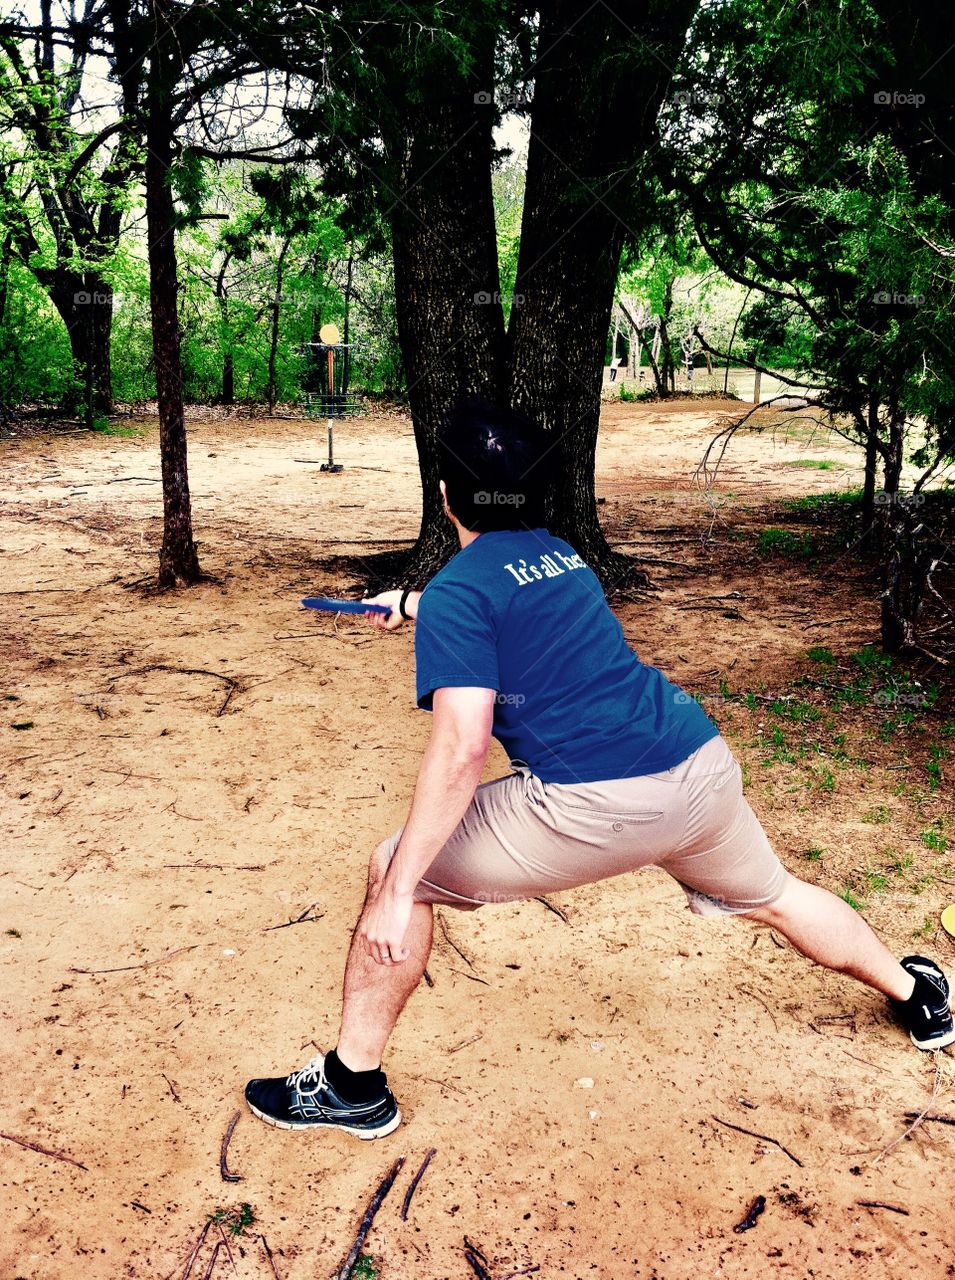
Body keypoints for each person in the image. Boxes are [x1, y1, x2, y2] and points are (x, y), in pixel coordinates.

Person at [244, 399, 954, 1138]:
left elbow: (460, 751)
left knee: (397, 866)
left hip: (598, 805)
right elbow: (517, 606)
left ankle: (351, 1085)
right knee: (773, 894)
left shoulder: (464, 590)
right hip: (697, 768)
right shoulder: (559, 551)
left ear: (446, 493)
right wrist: (418, 604)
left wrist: (397, 893)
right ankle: (917, 997)